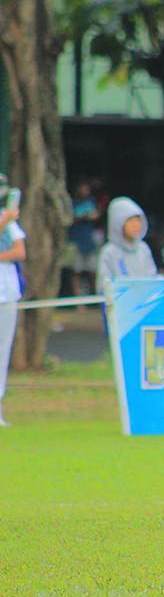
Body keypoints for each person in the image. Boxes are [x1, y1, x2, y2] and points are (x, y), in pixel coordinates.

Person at [0, 178, 26, 427]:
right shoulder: (4, 220)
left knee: (2, 350)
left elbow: (19, 251)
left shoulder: (8, 220)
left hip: (7, 291)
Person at [97, 197, 159, 293]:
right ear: (118, 223)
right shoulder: (109, 251)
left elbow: (152, 276)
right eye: (130, 221)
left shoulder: (143, 248)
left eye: (138, 220)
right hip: (120, 304)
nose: (136, 225)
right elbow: (104, 284)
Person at [66, 178, 100, 309]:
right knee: (76, 272)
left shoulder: (91, 201)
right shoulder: (71, 203)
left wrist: (94, 216)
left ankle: (98, 299)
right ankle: (79, 303)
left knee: (93, 271)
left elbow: (97, 214)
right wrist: (82, 217)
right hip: (75, 241)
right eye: (82, 188)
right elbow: (67, 219)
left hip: (89, 241)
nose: (85, 191)